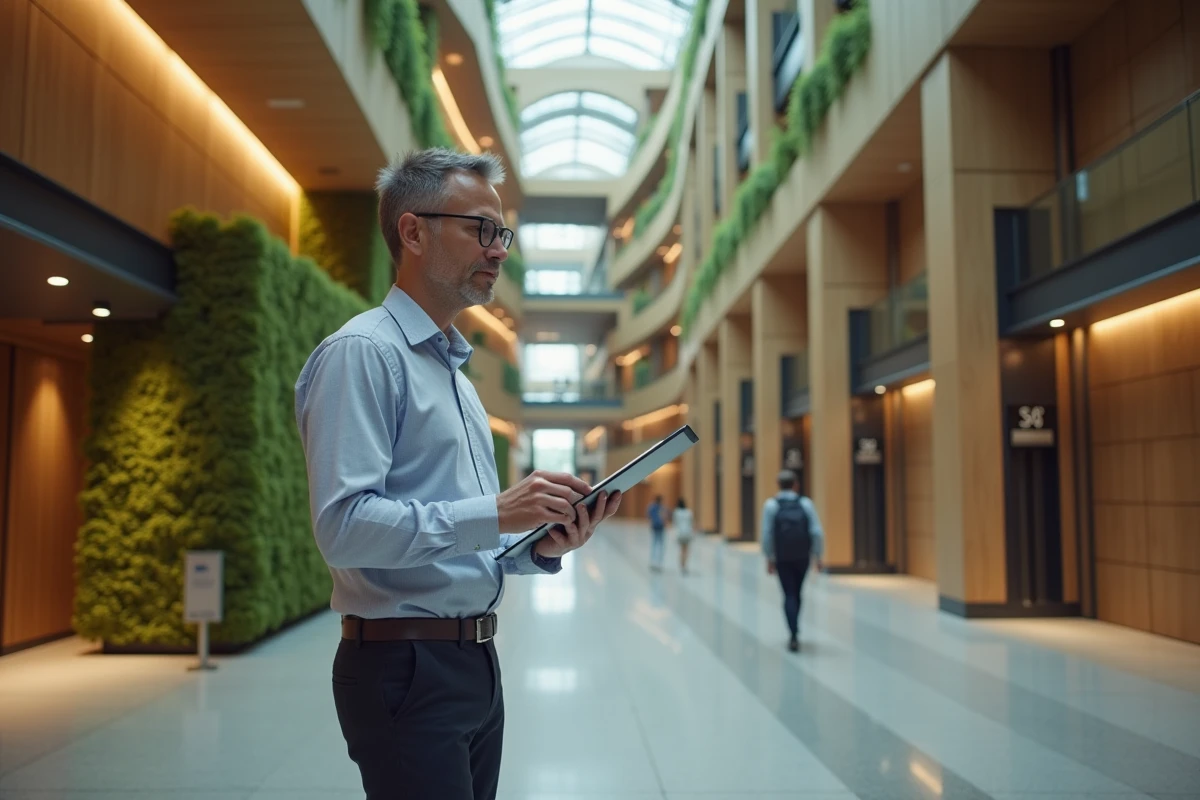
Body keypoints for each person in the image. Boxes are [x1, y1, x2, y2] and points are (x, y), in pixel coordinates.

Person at [294, 148, 623, 800]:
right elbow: (343, 528)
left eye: (502, 233)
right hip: (404, 665)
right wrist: (498, 512)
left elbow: (462, 539)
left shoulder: (456, 377)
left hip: (473, 661)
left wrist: (538, 545)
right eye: (481, 229)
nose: (498, 250)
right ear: (413, 232)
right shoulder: (364, 353)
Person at [761, 470, 823, 652]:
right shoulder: (806, 503)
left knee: (788, 592)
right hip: (802, 555)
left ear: (778, 484)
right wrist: (817, 555)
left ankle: (793, 633)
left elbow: (766, 534)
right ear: (796, 484)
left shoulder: (771, 505)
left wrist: (769, 557)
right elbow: (816, 532)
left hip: (782, 556)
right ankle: (795, 627)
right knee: (797, 591)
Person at [672, 497, 694, 574]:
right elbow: (691, 523)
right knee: (686, 550)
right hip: (687, 533)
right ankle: (684, 564)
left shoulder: (676, 512)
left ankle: (682, 564)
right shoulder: (689, 512)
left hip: (680, 533)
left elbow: (675, 523)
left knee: (681, 550)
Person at [647, 494, 665, 571]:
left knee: (654, 545)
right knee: (659, 546)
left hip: (656, 527)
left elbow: (648, 516)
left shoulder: (652, 507)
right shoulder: (661, 508)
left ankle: (654, 563)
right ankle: (658, 563)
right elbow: (664, 517)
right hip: (659, 527)